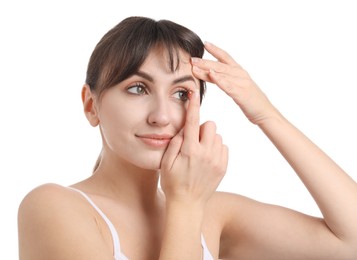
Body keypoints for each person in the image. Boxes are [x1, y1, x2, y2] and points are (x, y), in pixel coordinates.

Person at [17, 16, 357, 260]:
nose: (161, 116)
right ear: (92, 106)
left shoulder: (215, 214)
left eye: (181, 93)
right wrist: (186, 205)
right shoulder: (53, 207)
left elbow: (350, 242)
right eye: (138, 88)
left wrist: (265, 114)